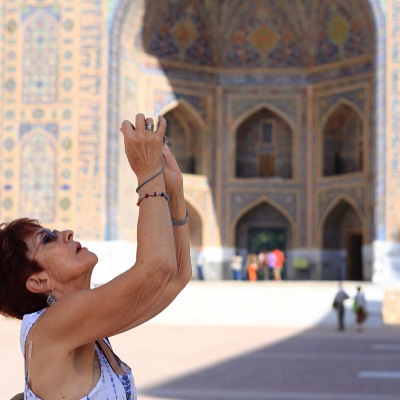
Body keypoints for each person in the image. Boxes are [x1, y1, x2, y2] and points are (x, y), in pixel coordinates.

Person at [0, 114, 192, 400]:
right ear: (39, 281)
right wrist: (148, 173)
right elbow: (158, 268)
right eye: (48, 239)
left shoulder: (87, 328)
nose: (66, 232)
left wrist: (174, 194)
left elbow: (175, 278)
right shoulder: (52, 325)